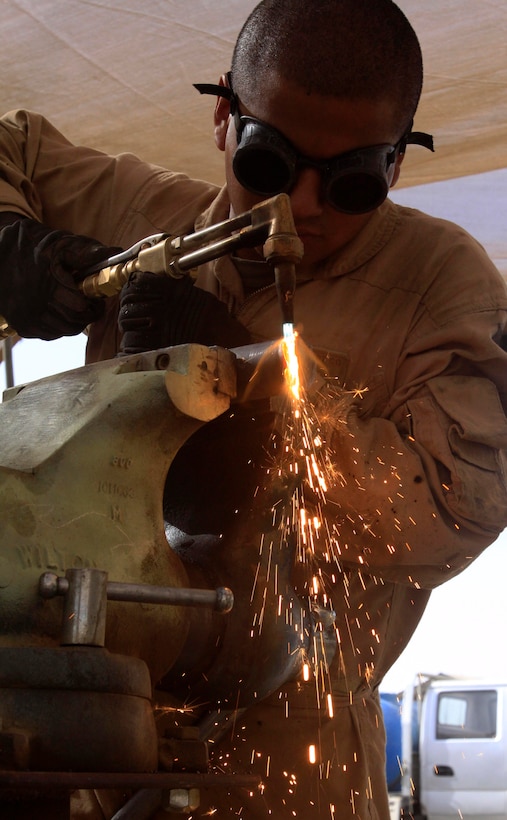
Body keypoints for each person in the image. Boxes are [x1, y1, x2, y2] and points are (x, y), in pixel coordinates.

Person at [0, 1, 506, 818]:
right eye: (268, 163)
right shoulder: (150, 221)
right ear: (223, 117)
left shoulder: (441, 282)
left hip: (292, 748)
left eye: (350, 183)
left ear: (395, 167)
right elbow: (10, 142)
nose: (302, 207)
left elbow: (456, 507)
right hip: (93, 711)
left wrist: (258, 408)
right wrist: (11, 243)